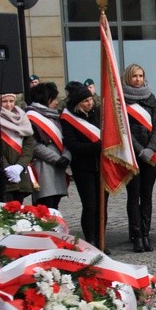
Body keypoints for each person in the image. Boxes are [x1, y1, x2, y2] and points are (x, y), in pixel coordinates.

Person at [59, 84, 108, 251]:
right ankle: (91, 240)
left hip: (102, 166)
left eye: (90, 100)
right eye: (85, 101)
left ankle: (101, 238)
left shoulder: (98, 114)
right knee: (90, 204)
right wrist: (97, 146)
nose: (89, 103)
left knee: (103, 204)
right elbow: (73, 145)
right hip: (83, 168)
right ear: (77, 103)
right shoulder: (68, 119)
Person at [122, 64, 156, 252]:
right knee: (134, 195)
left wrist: (151, 148)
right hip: (133, 154)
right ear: (128, 77)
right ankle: (136, 234)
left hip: (151, 154)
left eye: (141, 76)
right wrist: (140, 150)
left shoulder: (150, 97)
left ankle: (146, 234)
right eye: (134, 76)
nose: (138, 79)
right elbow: (124, 130)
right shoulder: (121, 99)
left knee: (147, 196)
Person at [26, 82, 71, 209]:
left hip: (59, 167)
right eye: (54, 99)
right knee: (44, 206)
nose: (57, 102)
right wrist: (57, 159)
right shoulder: (32, 117)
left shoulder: (54, 116)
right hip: (44, 167)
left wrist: (67, 156)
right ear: (46, 99)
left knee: (54, 205)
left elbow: (64, 140)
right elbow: (34, 145)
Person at [0, 93, 35, 203]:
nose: (8, 105)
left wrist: (19, 166)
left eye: (11, 101)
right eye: (4, 101)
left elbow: (28, 145)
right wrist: (7, 168)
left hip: (20, 174)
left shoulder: (22, 117)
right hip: (1, 176)